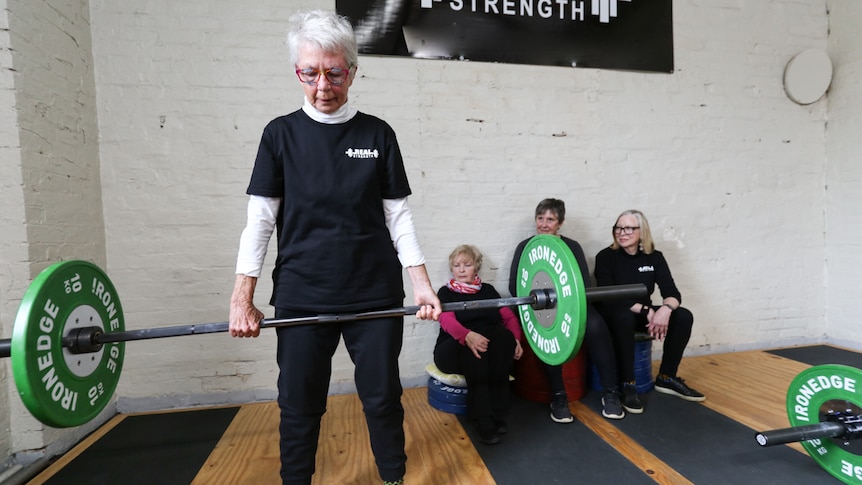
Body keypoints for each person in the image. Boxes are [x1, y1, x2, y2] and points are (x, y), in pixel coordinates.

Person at [228, 11, 441, 485]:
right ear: (297, 73)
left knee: (383, 400)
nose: (322, 84)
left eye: (334, 72)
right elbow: (259, 223)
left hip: (374, 297)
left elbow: (398, 217)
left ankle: (392, 478)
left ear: (352, 71)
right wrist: (242, 299)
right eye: (310, 72)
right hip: (303, 296)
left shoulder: (377, 135)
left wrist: (422, 285)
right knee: (299, 407)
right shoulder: (279, 135)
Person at [509, 198, 624, 421]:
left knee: (596, 326)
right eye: (540, 218)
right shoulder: (526, 247)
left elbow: (584, 286)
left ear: (560, 223)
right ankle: (558, 396)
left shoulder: (572, 247)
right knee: (547, 331)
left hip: (571, 307)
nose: (543, 224)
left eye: (550, 219)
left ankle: (611, 393)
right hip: (537, 307)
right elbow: (514, 285)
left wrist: (565, 307)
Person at [594, 209, 705, 414]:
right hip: (615, 311)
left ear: (642, 231)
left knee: (683, 316)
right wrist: (646, 310)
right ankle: (627, 384)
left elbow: (672, 293)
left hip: (643, 314)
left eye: (628, 228)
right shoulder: (606, 257)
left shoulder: (654, 257)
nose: (621, 232)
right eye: (618, 227)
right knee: (624, 317)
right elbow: (608, 295)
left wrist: (665, 309)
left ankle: (666, 377)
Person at [434, 245, 524, 445]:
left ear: (477, 267)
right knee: (475, 350)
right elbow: (446, 320)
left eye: (467, 264)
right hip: (453, 347)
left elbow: (507, 316)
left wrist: (515, 339)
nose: (461, 269)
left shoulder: (488, 290)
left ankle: (498, 413)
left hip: (487, 346)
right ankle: (482, 419)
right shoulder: (445, 292)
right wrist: (467, 336)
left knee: (502, 338)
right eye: (457, 265)